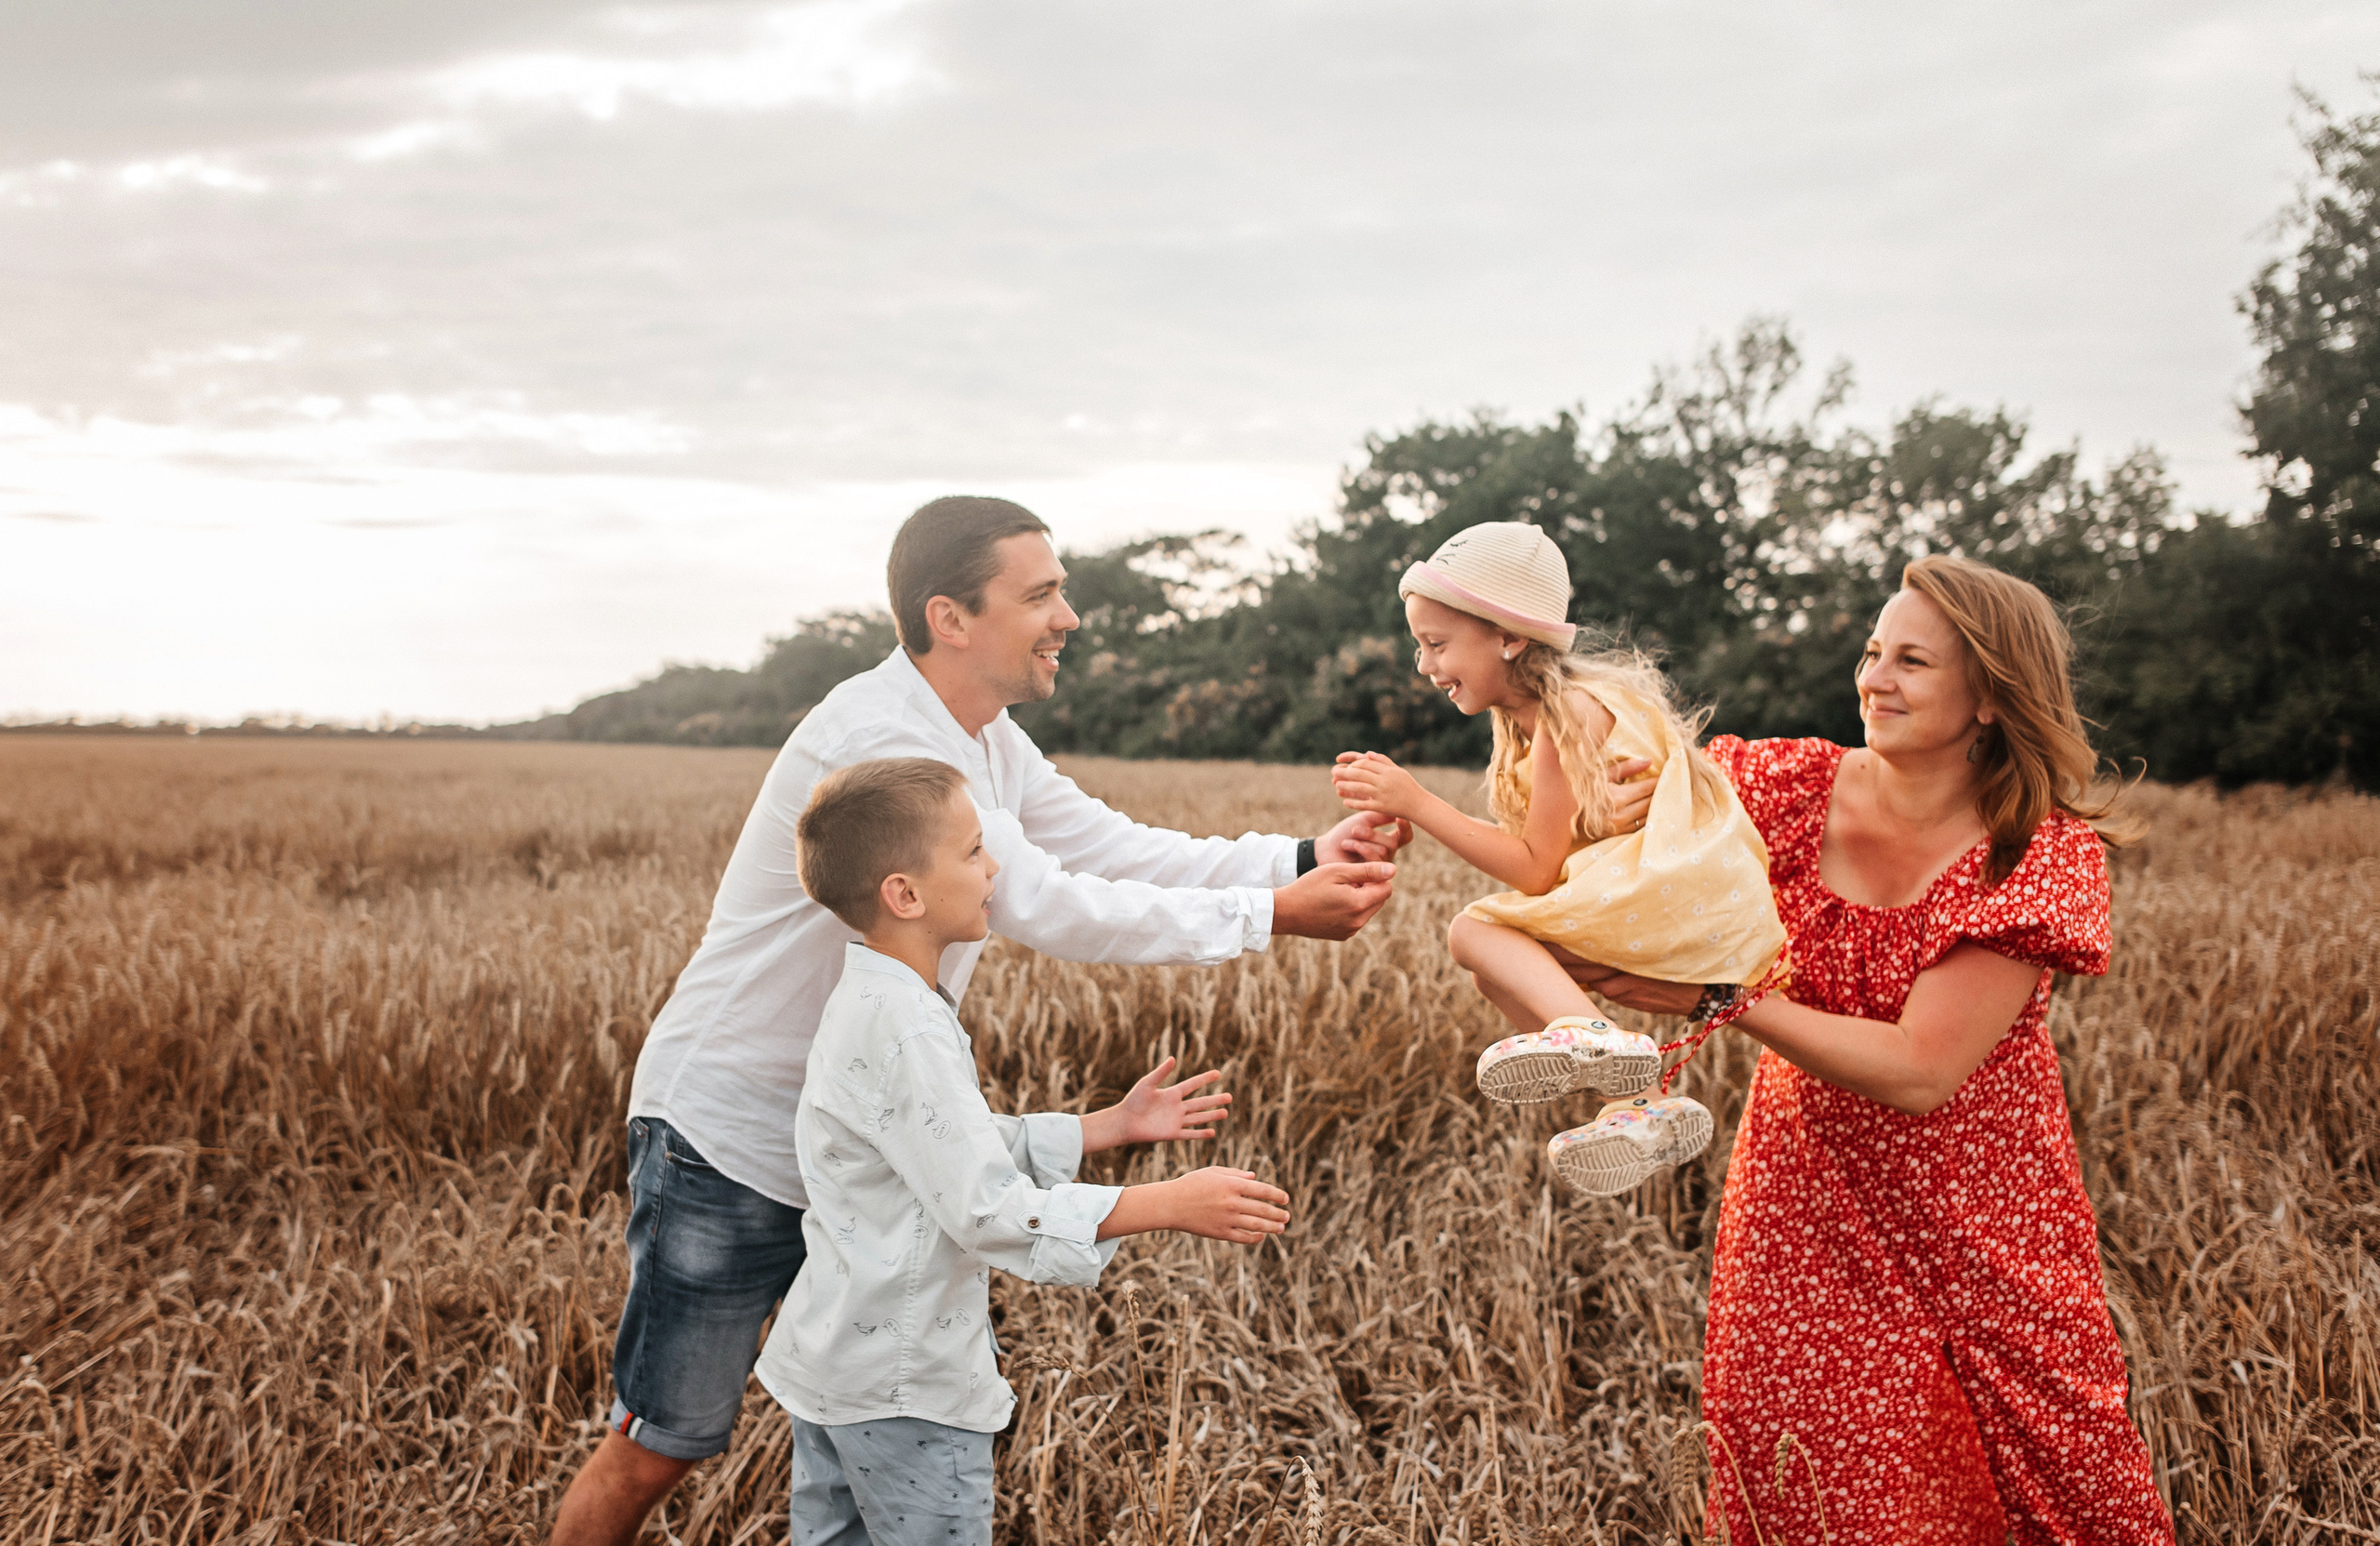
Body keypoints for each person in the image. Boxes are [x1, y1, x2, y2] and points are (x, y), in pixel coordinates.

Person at [551, 497, 1405, 1546]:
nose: (1070, 616)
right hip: (730, 1134)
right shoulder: (884, 739)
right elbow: (1042, 898)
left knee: (855, 1404)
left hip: (856, 1134)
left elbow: (1105, 844)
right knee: (662, 1442)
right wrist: (1269, 916)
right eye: (1041, 593)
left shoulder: (984, 736)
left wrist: (1296, 861)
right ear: (949, 616)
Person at [1560, 554, 2173, 1543]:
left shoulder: (2037, 852)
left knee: (2062, 1485)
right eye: (1871, 651)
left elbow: (1920, 1069)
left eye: (1912, 662)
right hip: (1806, 1202)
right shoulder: (1786, 785)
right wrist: (1574, 733)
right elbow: (1617, 804)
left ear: (1988, 695)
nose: (1872, 679)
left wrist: (1722, 995)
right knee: (1816, 1482)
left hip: (1986, 1218)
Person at [754, 756, 1289, 1545]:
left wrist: (1105, 1126)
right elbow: (984, 1206)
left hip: (837, 1368)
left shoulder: (874, 1000)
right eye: (972, 851)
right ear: (904, 892)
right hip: (906, 1391)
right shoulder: (906, 1024)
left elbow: (933, 1150)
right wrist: (1168, 1202)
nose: (994, 866)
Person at [1329, 522, 1787, 1195]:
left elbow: (1535, 869)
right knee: (1499, 974)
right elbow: (1561, 845)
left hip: (1674, 904)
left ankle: (1596, 1038)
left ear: (1509, 637)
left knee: (1474, 931)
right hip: (1667, 899)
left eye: (1437, 644)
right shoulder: (1532, 717)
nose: (1425, 666)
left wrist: (1420, 801)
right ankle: (1640, 1100)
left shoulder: (1563, 715)